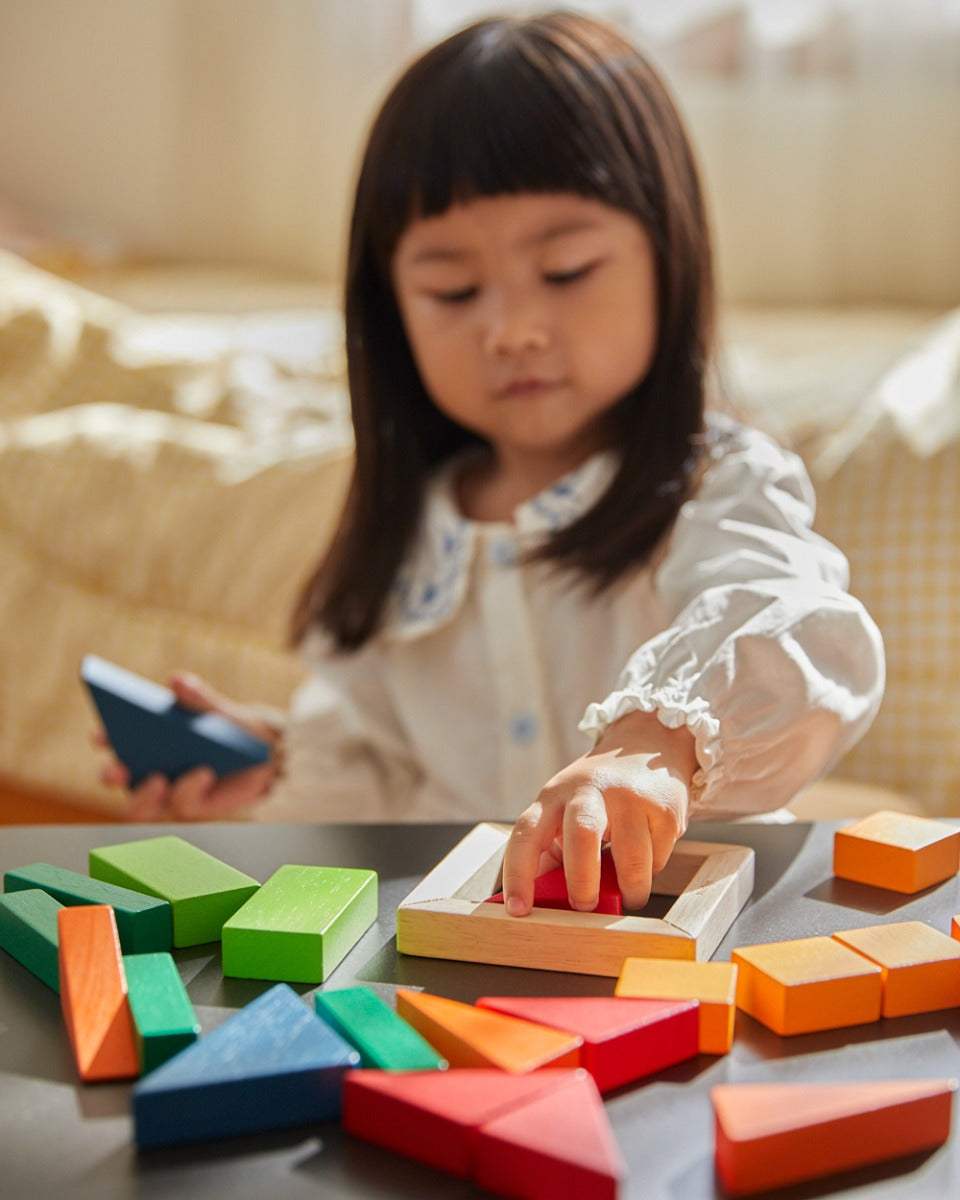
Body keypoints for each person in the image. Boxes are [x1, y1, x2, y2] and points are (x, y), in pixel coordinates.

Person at [96, 11, 884, 918]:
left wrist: (657, 742)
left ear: (668, 257)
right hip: (476, 969)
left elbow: (796, 626)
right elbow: (389, 787)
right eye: (453, 291)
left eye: (567, 269)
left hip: (695, 961)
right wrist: (275, 768)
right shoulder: (410, 542)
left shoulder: (719, 482)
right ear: (391, 309)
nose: (512, 328)